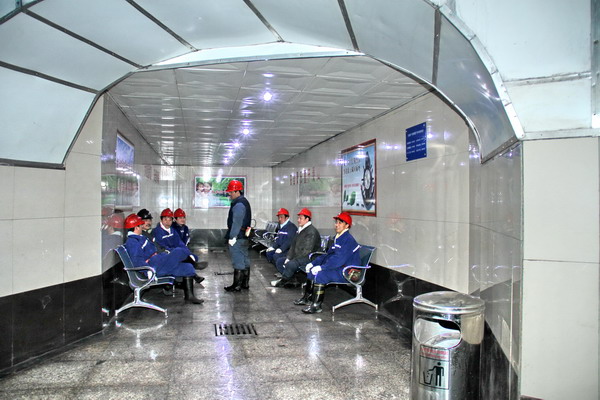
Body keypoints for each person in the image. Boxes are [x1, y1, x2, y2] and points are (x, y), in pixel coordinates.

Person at [123, 214, 203, 304]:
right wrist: (147, 271)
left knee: (187, 267)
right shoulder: (132, 242)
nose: (142, 227)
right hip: (154, 266)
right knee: (179, 251)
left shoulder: (141, 237)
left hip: (160, 261)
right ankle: (195, 264)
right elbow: (137, 259)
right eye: (140, 225)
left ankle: (189, 297)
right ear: (136, 227)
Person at [295, 212, 361, 314]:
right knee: (312, 271)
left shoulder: (347, 240)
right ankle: (307, 298)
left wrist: (322, 267)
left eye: (340, 223)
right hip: (339, 267)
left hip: (348, 271)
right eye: (336, 222)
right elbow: (327, 255)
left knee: (321, 274)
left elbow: (339, 259)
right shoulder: (337, 238)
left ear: (347, 225)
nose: (336, 225)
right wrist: (313, 263)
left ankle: (317, 305)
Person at [271, 208, 321, 288]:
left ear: (307, 219)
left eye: (300, 218)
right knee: (280, 261)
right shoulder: (300, 229)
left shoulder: (311, 232)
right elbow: (293, 245)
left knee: (291, 264)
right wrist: (288, 257)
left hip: (309, 257)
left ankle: (283, 281)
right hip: (299, 256)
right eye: (298, 218)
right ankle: (292, 279)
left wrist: (292, 259)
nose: (298, 220)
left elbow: (306, 251)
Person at [153, 208, 204, 282]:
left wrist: (189, 253)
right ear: (161, 220)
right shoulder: (157, 231)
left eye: (170, 220)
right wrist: (175, 251)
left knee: (191, 262)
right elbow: (161, 247)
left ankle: (193, 275)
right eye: (165, 219)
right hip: (166, 255)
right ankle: (194, 266)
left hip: (175, 253)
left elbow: (180, 243)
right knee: (179, 252)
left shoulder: (172, 230)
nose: (168, 222)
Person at [223, 180, 252, 292]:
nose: (229, 194)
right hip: (244, 236)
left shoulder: (239, 204)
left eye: (231, 192)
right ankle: (245, 283)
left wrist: (232, 237)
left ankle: (237, 285)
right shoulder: (244, 202)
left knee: (238, 259)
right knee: (244, 259)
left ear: (237, 191)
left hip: (238, 237)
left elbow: (237, 222)